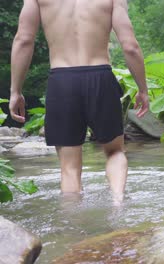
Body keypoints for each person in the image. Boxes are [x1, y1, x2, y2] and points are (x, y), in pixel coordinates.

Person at [8, 0, 149, 203]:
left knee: (69, 168)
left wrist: (16, 91)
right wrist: (143, 89)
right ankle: (118, 203)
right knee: (115, 152)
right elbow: (130, 46)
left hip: (62, 80)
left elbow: (23, 40)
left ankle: (72, 225)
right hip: (100, 77)